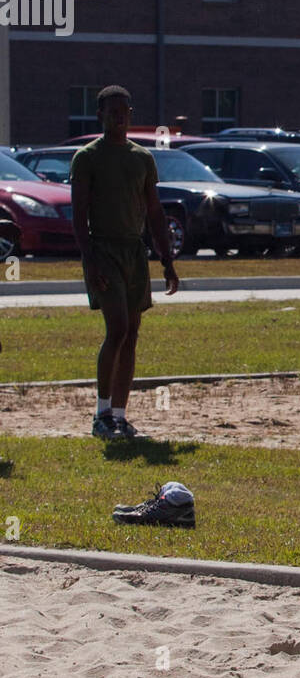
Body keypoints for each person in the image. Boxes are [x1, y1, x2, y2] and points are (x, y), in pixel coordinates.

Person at [70, 86, 179, 439]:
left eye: (124, 111)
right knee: (115, 328)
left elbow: (154, 211)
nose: (119, 116)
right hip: (103, 250)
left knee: (132, 333)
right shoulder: (87, 157)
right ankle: (100, 415)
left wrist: (167, 259)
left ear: (130, 113)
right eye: (112, 111)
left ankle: (119, 415)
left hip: (134, 251)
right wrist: (90, 260)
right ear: (100, 114)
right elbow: (78, 214)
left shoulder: (141, 158)